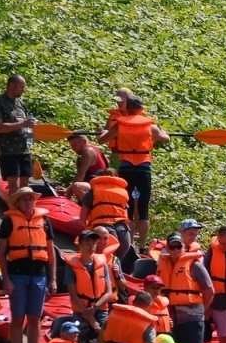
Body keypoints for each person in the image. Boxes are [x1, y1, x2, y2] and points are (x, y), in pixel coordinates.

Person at [97, 94, 169, 246]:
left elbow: (101, 140)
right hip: (144, 167)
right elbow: (166, 139)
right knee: (143, 209)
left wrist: (102, 132)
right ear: (141, 109)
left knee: (127, 207)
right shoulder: (151, 126)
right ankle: (142, 246)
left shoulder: (119, 125)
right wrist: (163, 131)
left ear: (128, 109)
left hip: (126, 167)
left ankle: (128, 244)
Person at [0, 185, 58, 343]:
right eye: (25, 198)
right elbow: (2, 253)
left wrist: (53, 279)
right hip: (17, 275)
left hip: (39, 275)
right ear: (18, 202)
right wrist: (6, 279)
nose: (29, 201)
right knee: (17, 318)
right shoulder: (8, 222)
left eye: (31, 198)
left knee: (34, 318)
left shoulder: (44, 221)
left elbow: (51, 252)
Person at [155, 235, 213, 343]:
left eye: (178, 246)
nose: (175, 250)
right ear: (167, 248)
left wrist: (201, 311)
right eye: (171, 247)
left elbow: (209, 291)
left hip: (192, 320)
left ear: (184, 247)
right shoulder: (162, 265)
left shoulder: (195, 266)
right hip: (171, 321)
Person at [66, 227, 118, 343]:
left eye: (93, 243)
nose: (91, 246)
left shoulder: (102, 263)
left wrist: (94, 309)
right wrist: (90, 317)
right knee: (81, 337)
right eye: (87, 243)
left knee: (104, 335)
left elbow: (109, 293)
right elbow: (73, 295)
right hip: (81, 310)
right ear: (80, 246)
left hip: (99, 308)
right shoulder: (71, 266)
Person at [0, 74, 37, 197]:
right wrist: (21, 124)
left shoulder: (21, 104)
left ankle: (24, 210)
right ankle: (13, 212)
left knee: (25, 182)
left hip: (24, 149)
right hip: (8, 151)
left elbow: (25, 124)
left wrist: (32, 129)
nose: (23, 89)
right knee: (13, 183)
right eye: (21, 87)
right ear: (11, 85)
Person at [77, 167, 133, 259]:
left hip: (117, 222)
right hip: (103, 222)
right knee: (120, 244)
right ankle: (110, 263)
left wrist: (87, 227)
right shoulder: (121, 192)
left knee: (122, 244)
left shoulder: (94, 190)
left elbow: (83, 215)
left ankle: (115, 264)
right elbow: (126, 214)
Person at [65, 130, 107, 197]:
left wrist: (67, 193)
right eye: (71, 146)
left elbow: (81, 175)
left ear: (84, 141)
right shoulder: (95, 148)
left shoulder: (87, 151)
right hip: (95, 185)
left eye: (75, 145)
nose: (73, 148)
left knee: (77, 186)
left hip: (98, 187)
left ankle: (85, 205)